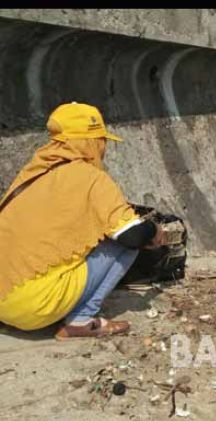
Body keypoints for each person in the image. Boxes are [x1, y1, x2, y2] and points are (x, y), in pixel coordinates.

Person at [0, 103, 166, 339]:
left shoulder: (35, 170)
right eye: (102, 141)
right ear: (91, 142)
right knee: (126, 243)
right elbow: (132, 236)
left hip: (3, 301)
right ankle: (81, 320)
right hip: (34, 308)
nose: (104, 148)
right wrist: (153, 229)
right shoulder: (91, 178)